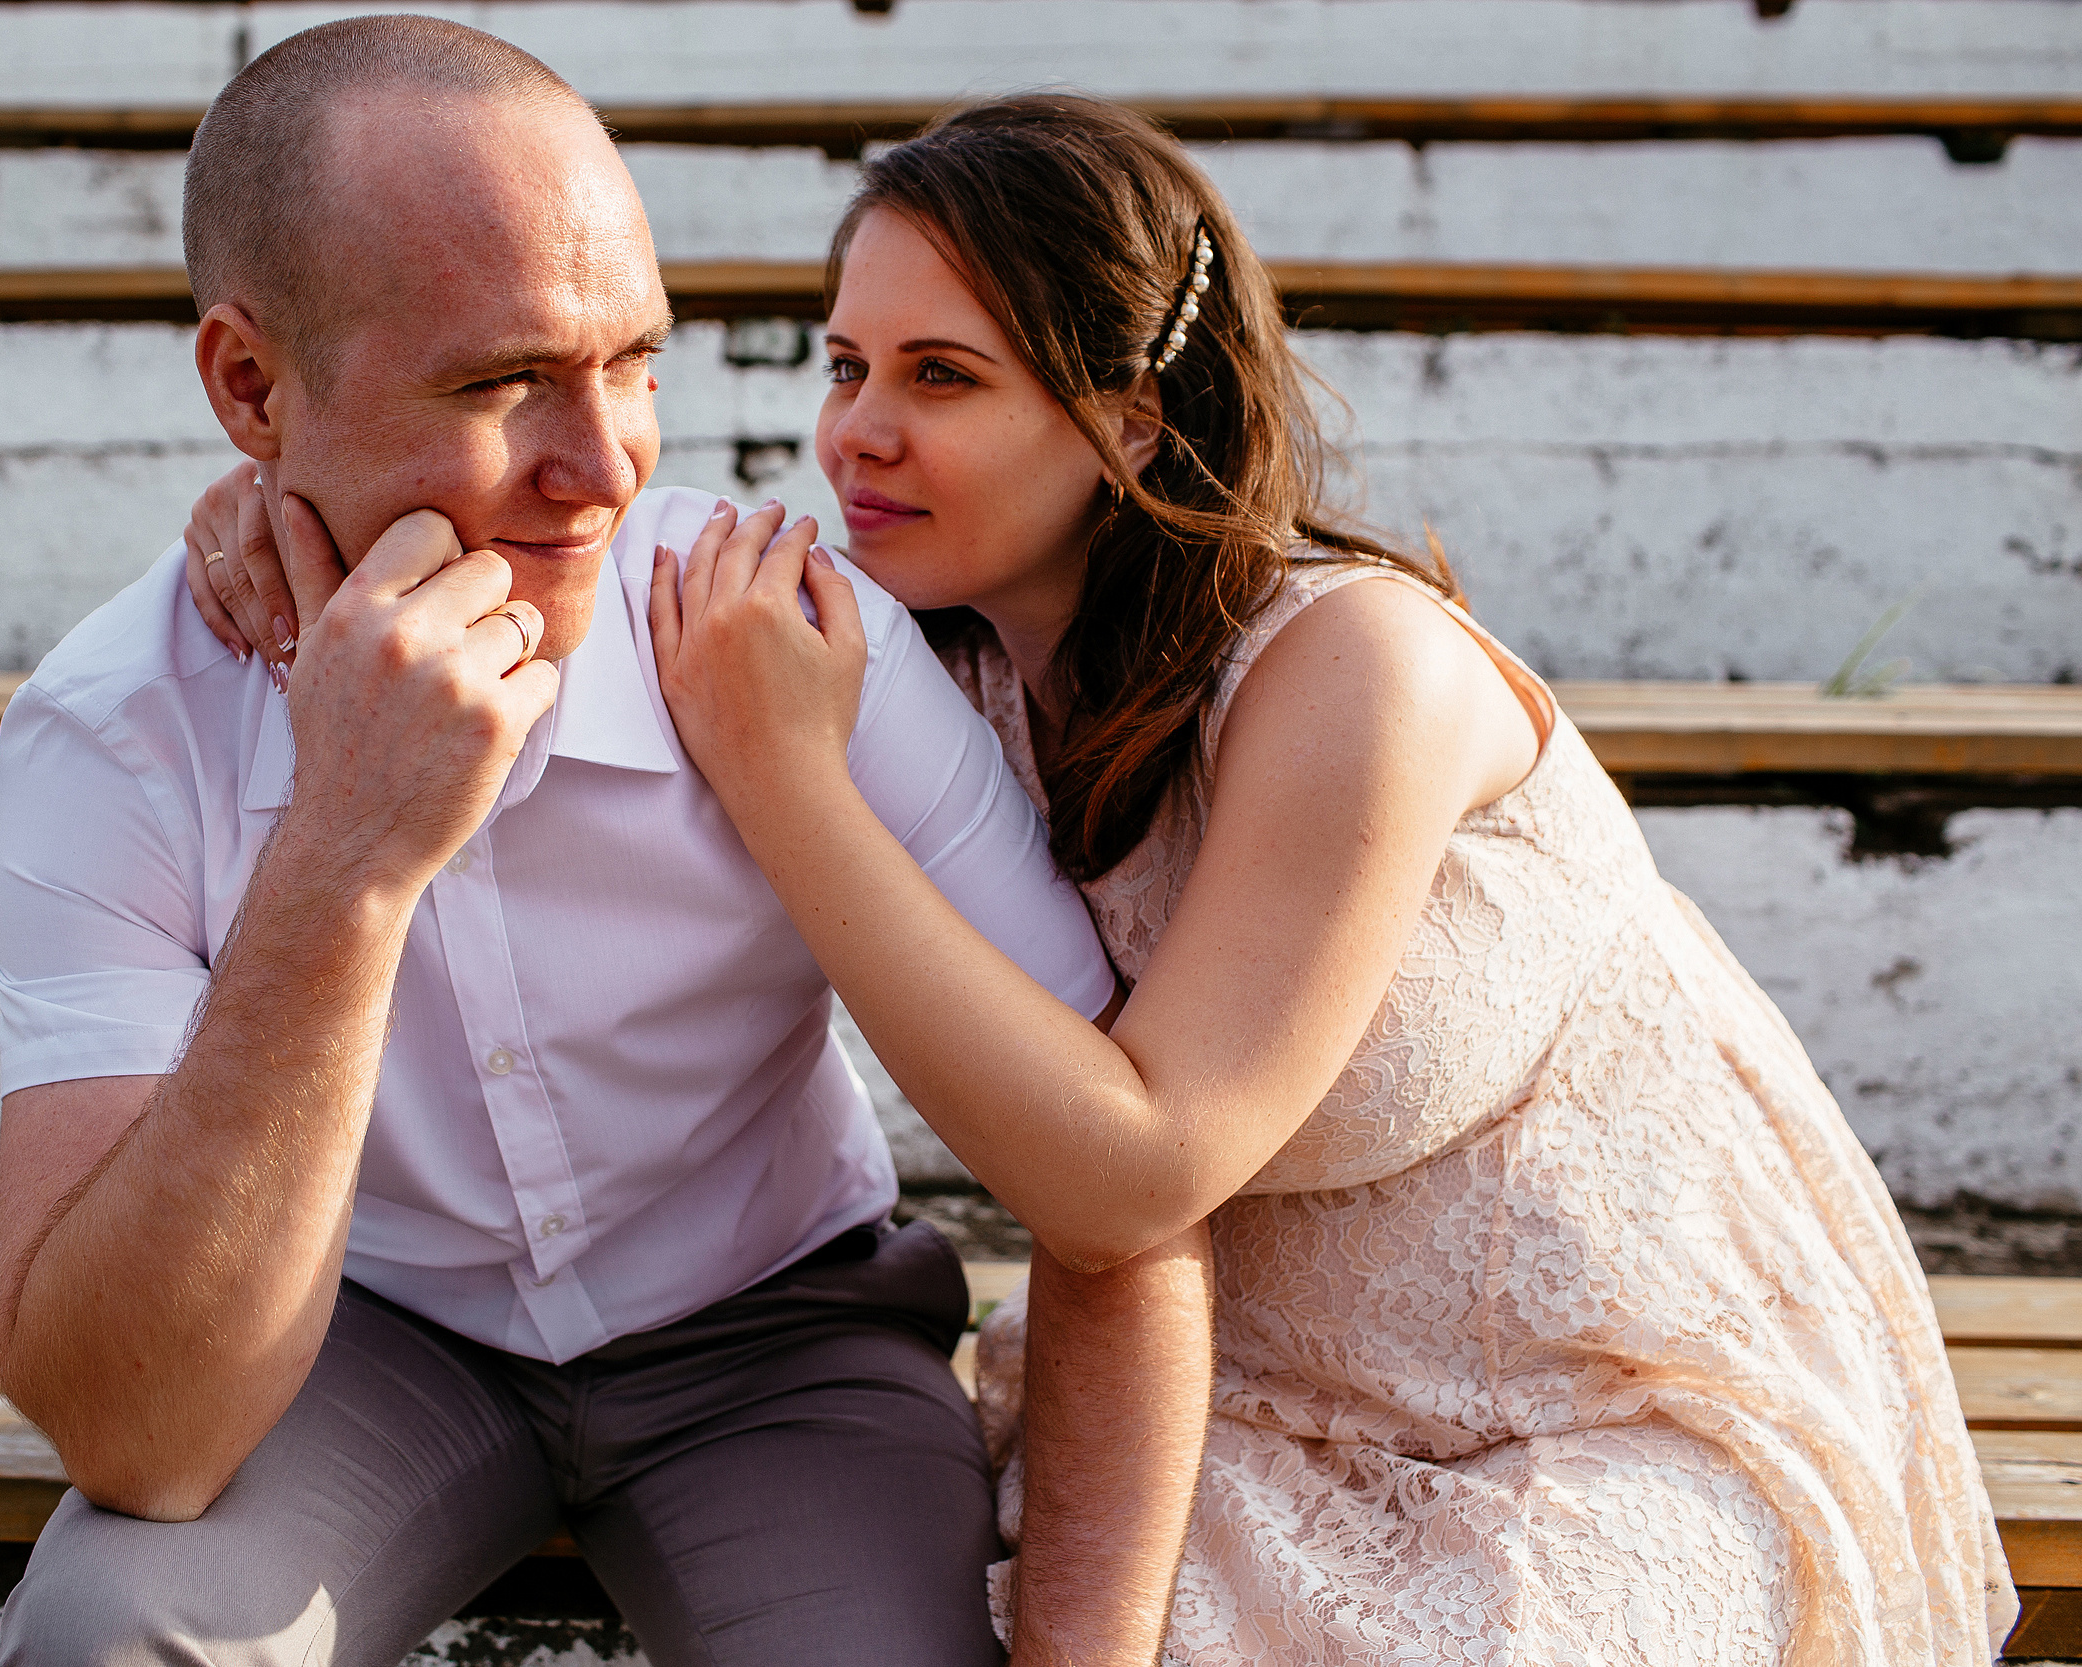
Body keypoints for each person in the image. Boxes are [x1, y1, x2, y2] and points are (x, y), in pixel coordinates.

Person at [635, 97, 2015, 1665]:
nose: (855, 432)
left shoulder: (1355, 665)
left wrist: (786, 780)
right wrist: (281, 500)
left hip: (1612, 1412)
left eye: (941, 375)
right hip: (1245, 1412)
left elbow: (1134, 1170)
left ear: (1134, 418)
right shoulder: (922, 669)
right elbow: (570, 569)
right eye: (846, 365)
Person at [0, 21, 1116, 1666]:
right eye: (502, 380)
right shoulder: (116, 723)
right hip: (355, 1343)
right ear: (249, 385)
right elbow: (138, 1439)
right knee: (106, 1645)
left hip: (777, 1340)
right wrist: (346, 862)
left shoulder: (792, 634)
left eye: (637, 363)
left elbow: (1101, 1140)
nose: (603, 469)